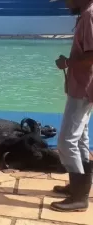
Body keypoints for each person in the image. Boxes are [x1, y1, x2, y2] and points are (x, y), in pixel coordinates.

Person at [50, 0, 93, 212]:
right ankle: (77, 187)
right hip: (83, 86)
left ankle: (79, 197)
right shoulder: (86, 13)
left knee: (66, 141)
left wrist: (67, 63)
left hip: (84, 88)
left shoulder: (89, 15)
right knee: (81, 138)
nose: (65, 3)